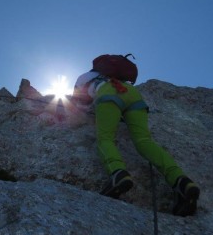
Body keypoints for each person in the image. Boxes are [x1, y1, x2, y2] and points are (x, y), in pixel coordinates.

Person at [72, 68, 200, 217]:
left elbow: (80, 102)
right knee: (144, 141)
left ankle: (118, 173)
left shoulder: (83, 79)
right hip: (133, 94)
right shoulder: (110, 74)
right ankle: (182, 181)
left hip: (108, 93)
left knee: (105, 138)